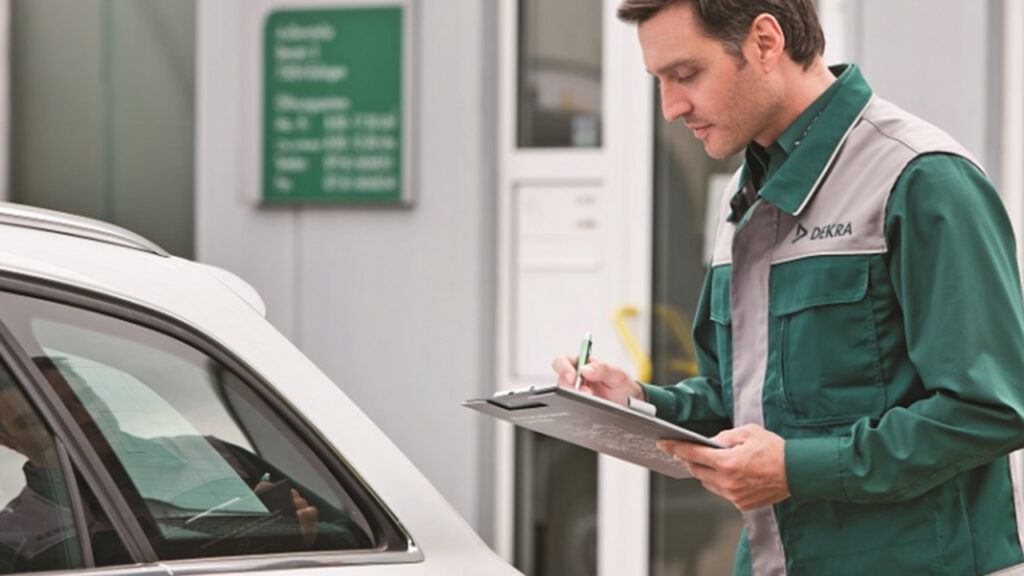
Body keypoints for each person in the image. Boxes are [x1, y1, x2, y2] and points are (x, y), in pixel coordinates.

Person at [552, 1, 1024, 574]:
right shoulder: (742, 200)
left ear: (766, 42)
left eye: (685, 75)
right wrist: (640, 405)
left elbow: (991, 409)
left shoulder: (921, 178)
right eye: (660, 81)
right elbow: (742, 403)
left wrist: (795, 468)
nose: (671, 108)